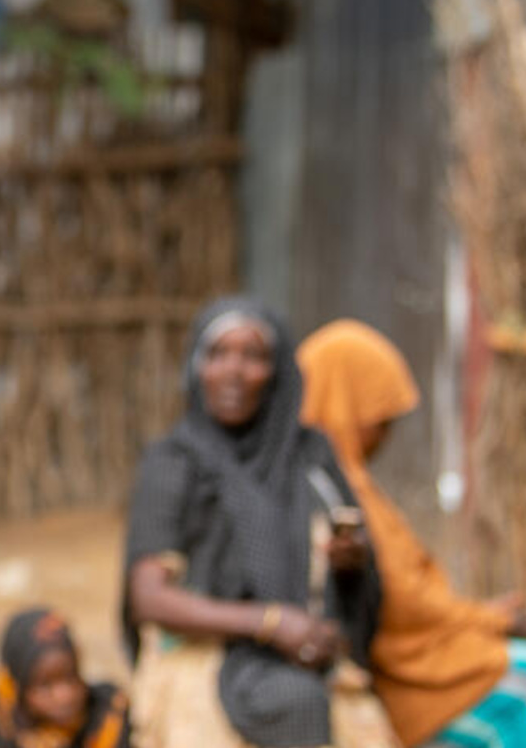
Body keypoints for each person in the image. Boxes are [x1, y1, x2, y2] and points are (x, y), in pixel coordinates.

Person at [122, 298, 391, 748]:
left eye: (253, 357)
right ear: (196, 367)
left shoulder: (310, 456)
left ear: (279, 371)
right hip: (207, 651)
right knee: (293, 702)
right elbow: (149, 597)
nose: (233, 371)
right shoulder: (175, 463)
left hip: (308, 651)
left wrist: (350, 564)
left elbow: (360, 582)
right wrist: (268, 622)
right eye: (218, 354)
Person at [298, 320, 526, 748]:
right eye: (379, 421)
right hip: (404, 676)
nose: (385, 437)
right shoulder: (335, 495)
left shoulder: (352, 484)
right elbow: (402, 607)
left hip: (414, 652)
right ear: (346, 409)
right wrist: (488, 621)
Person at [0, 608, 130, 748]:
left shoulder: (108, 713)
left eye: (71, 677)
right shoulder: (2, 734)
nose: (65, 696)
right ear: (16, 689)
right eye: (45, 686)